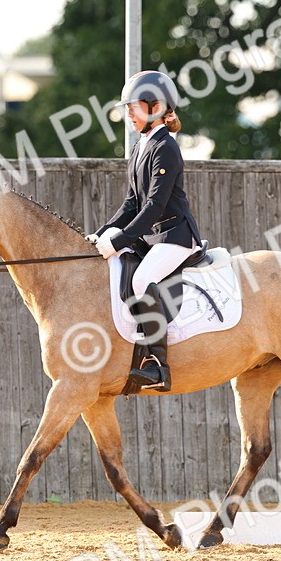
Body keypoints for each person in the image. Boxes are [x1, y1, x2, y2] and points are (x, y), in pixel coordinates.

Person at [88, 70, 202, 392]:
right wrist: (103, 234)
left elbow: (152, 206)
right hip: (153, 237)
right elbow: (130, 203)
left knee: (140, 280)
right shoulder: (141, 147)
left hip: (175, 236)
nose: (127, 114)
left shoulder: (165, 147)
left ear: (154, 107)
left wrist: (122, 239)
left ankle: (158, 367)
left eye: (132, 107)